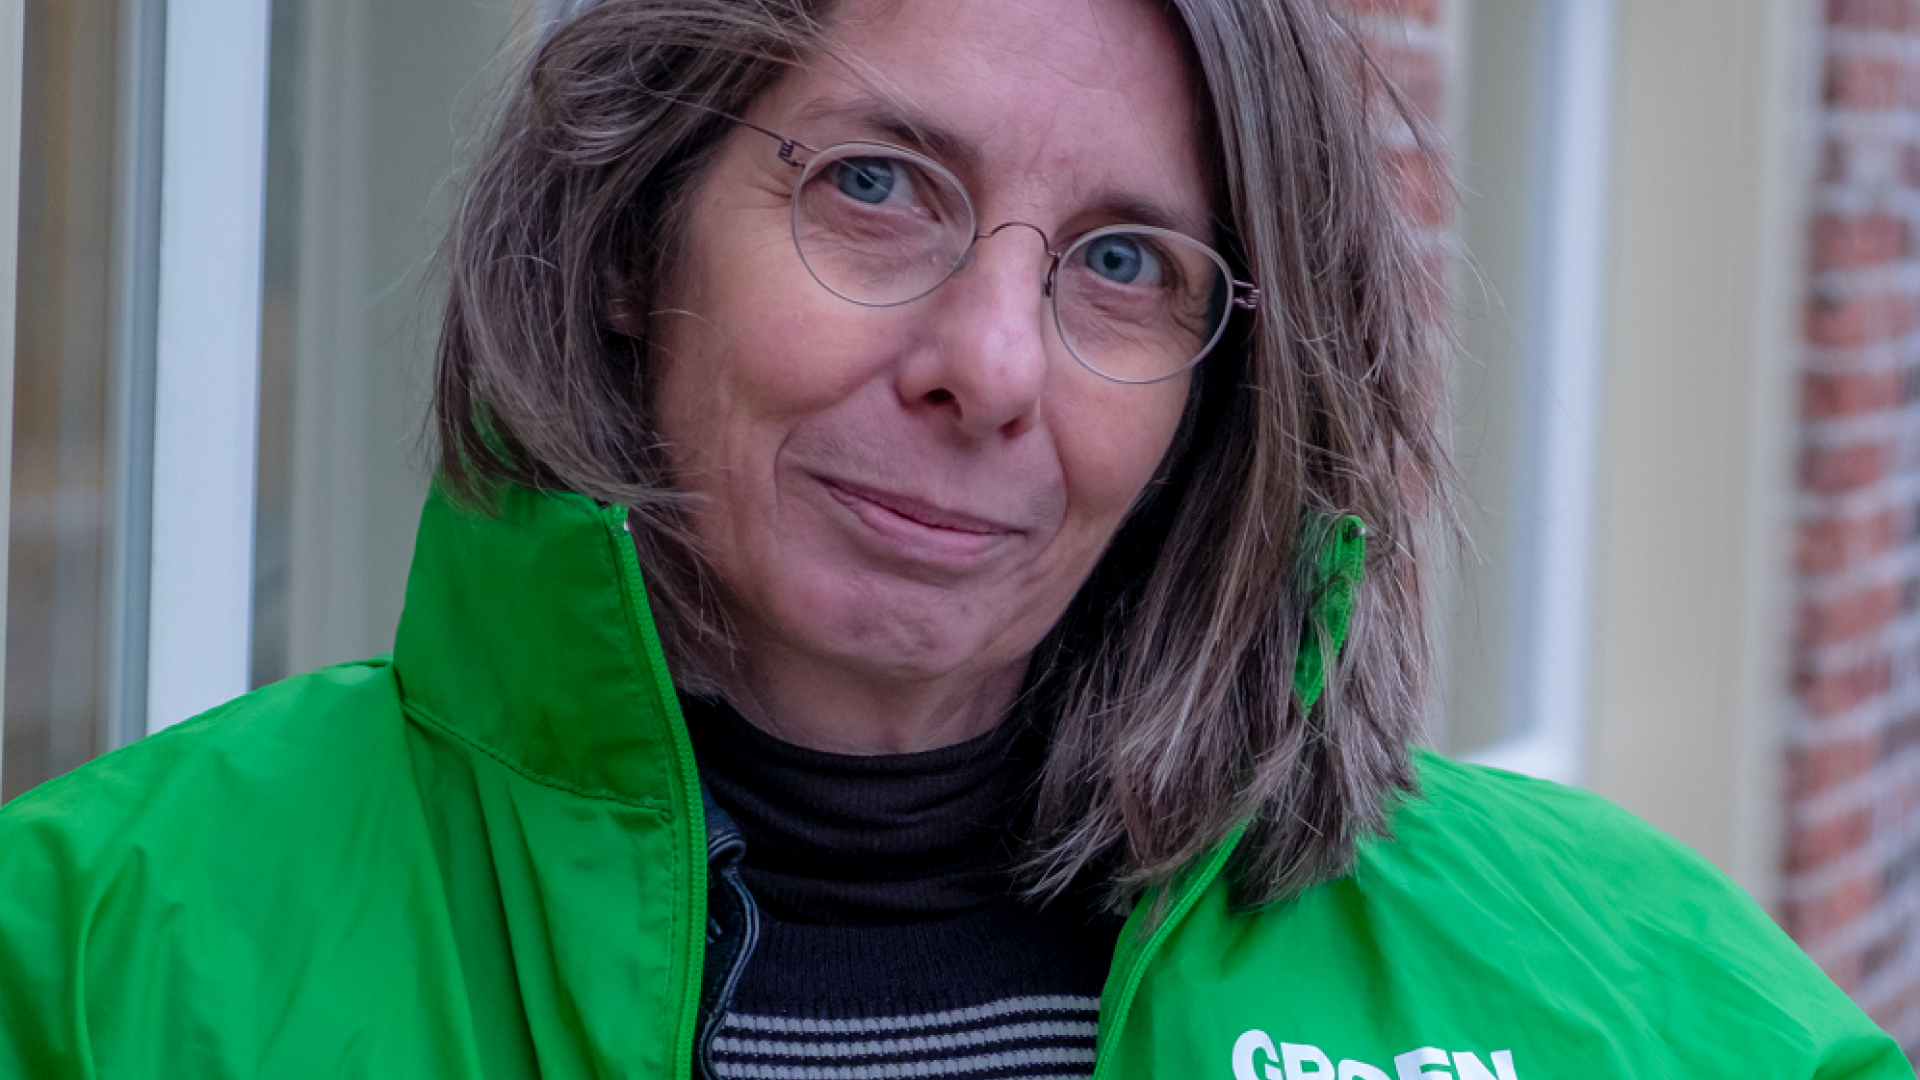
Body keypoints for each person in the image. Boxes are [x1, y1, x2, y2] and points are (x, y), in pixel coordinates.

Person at [0, 0, 1909, 1076]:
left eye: (1125, 264)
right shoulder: (100, 959)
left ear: (1220, 394)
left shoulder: (1627, 992)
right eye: (877, 185)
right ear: (629, 240)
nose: (990, 366)